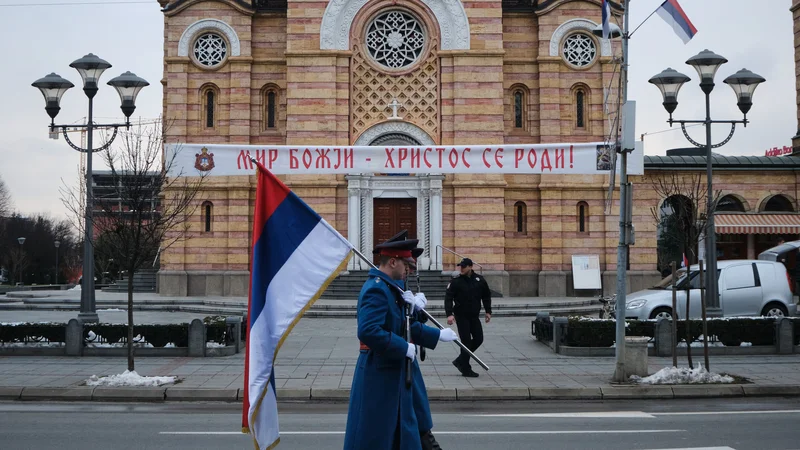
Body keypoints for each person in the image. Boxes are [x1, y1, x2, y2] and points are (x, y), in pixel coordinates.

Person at [344, 231, 458, 450]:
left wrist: (423, 318)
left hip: (397, 370)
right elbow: (368, 331)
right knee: (379, 435)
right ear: (393, 261)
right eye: (406, 265)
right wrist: (403, 346)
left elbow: (404, 325)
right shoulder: (377, 289)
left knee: (407, 429)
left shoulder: (393, 288)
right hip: (380, 373)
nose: (409, 270)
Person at [445, 258, 491, 378]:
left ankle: (460, 360)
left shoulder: (479, 280)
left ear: (471, 267)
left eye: (464, 266)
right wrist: (449, 314)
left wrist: (488, 311)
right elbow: (448, 298)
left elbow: (486, 296)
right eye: (461, 266)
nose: (461, 268)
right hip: (461, 316)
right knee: (465, 342)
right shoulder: (456, 281)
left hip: (474, 316)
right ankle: (465, 367)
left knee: (479, 339)